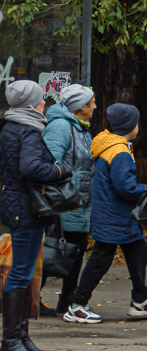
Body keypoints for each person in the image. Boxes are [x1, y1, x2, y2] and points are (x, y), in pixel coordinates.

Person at [65, 103, 147, 324]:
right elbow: (125, 187)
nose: (138, 126)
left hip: (114, 214)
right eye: (136, 122)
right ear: (129, 126)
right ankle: (77, 304)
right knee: (101, 258)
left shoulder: (110, 145)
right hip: (115, 215)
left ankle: (140, 300)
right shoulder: (119, 152)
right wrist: (145, 190)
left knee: (138, 250)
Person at [1, 80, 68, 351]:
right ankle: (11, 341)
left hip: (17, 205)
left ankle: (20, 338)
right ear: (31, 103)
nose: (44, 103)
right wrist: (59, 170)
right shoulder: (28, 129)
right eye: (41, 99)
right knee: (21, 273)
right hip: (26, 208)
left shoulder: (11, 126)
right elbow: (30, 168)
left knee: (24, 273)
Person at [39, 84, 95, 317]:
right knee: (53, 250)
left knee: (76, 249)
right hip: (63, 202)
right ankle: (31, 298)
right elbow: (48, 163)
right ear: (80, 107)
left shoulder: (81, 128)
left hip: (78, 202)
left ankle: (67, 299)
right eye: (91, 103)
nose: (94, 106)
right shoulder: (61, 127)